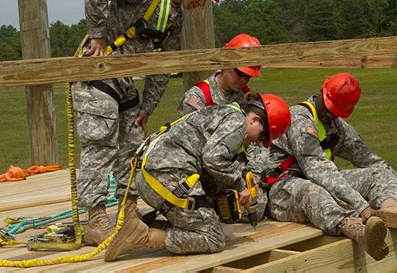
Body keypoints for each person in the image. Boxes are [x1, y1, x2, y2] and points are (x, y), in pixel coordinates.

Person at [71, 0, 230, 246]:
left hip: (124, 86)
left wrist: (147, 107)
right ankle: (96, 219)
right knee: (100, 146)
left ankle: (127, 213)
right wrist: (97, 35)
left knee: (134, 148)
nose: (202, 2)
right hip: (98, 77)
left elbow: (162, 66)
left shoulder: (174, 19)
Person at [262, 72, 397, 261]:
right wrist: (361, 207)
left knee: (378, 173)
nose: (331, 115)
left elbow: (368, 158)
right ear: (321, 92)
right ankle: (359, 231)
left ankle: (390, 211)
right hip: (283, 191)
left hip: (322, 183)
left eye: (336, 112)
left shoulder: (338, 126)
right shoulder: (299, 120)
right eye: (329, 109)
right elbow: (317, 171)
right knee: (314, 192)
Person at [104, 93, 291, 261]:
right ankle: (142, 236)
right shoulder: (238, 123)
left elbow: (205, 162)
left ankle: (141, 226)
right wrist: (240, 185)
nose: (258, 142)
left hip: (150, 177)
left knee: (207, 218)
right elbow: (212, 158)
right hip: (167, 178)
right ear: (254, 120)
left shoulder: (224, 113)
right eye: (262, 136)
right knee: (214, 238)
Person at [178, 33, 268, 222]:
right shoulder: (198, 98)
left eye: (249, 77)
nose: (244, 80)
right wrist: (236, 182)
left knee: (257, 206)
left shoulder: (244, 97)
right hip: (205, 174)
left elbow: (255, 145)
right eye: (240, 73)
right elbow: (195, 153)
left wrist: (252, 177)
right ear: (226, 61)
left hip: (232, 171)